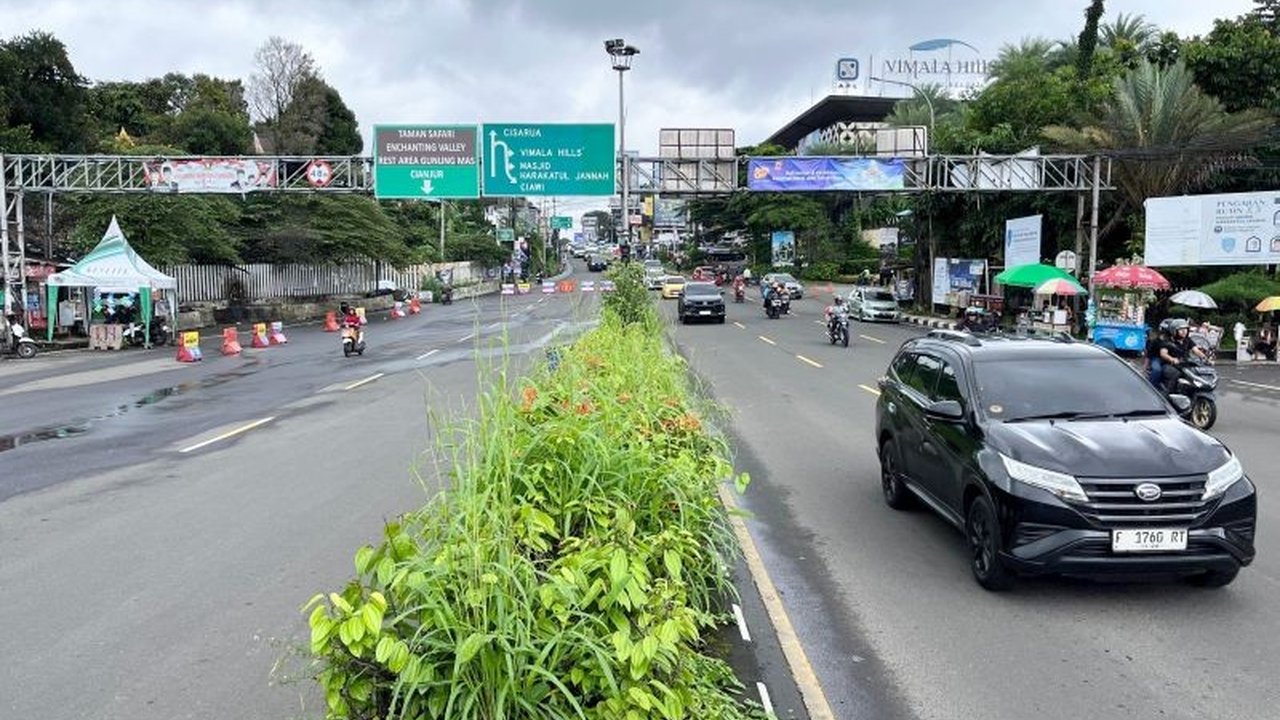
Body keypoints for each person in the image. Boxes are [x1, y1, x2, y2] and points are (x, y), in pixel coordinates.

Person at [1159, 319, 1208, 392]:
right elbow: (1163, 353)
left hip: (1184, 364)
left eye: (1186, 329)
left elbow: (1196, 350)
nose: (1184, 331)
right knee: (1175, 374)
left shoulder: (1187, 340)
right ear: (1174, 331)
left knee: (1195, 373)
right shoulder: (1168, 341)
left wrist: (1205, 358)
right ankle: (1167, 394)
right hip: (1170, 365)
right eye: (1181, 330)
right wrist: (1172, 359)